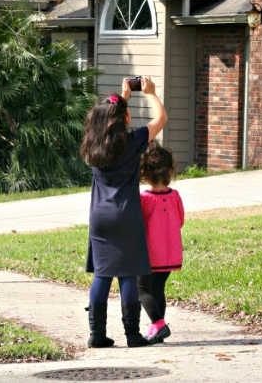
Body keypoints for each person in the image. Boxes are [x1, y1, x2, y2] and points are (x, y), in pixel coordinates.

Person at [80, 75, 168, 348]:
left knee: (102, 275)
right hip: (127, 215)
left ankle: (97, 334)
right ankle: (132, 335)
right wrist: (150, 93)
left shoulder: (93, 146)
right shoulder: (133, 141)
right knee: (128, 273)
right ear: (126, 119)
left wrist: (122, 99)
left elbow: (111, 120)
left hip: (100, 217)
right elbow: (161, 119)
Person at [138, 142, 185, 344]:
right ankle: (157, 329)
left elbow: (138, 225)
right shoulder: (174, 196)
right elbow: (181, 220)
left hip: (150, 254)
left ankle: (158, 324)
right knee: (158, 290)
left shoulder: (144, 199)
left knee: (142, 290)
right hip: (170, 253)